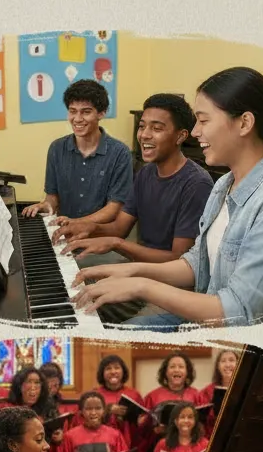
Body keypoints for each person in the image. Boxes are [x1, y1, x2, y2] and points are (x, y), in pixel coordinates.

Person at [71, 67, 263, 330]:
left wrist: (142, 285)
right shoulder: (224, 184)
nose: (195, 131)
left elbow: (238, 312)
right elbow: (198, 262)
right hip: (202, 311)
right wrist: (133, 270)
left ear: (244, 123)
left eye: (203, 121)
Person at [54, 94, 215, 323]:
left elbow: (178, 259)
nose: (145, 135)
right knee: (71, 283)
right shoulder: (145, 172)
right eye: (142, 126)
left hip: (170, 287)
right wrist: (89, 227)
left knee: (110, 320)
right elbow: (120, 227)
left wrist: (116, 244)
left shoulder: (196, 184)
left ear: (180, 136)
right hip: (138, 269)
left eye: (156, 128)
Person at [21, 79, 133, 230]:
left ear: (102, 113)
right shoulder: (56, 149)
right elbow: (52, 198)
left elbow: (114, 208)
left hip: (100, 235)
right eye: (73, 111)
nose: (78, 119)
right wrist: (45, 206)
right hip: (64, 232)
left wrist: (76, 223)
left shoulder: (120, 153)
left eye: (86, 112)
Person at [199, 348, 240, 433]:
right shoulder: (206, 392)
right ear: (218, 367)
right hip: (212, 436)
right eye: (223, 361)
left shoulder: (246, 388)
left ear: (239, 364)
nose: (227, 365)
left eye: (231, 360)